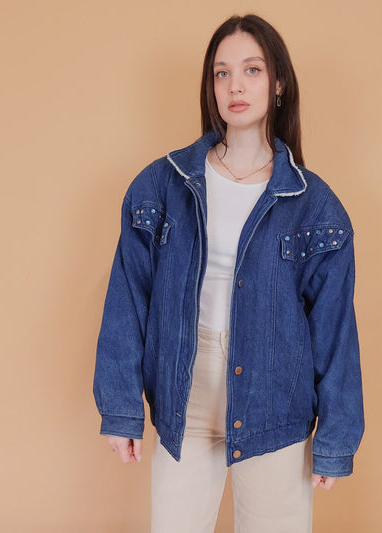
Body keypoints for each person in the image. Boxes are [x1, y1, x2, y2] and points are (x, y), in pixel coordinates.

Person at [93, 13, 364, 533]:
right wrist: (121, 407)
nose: (235, 85)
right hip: (185, 395)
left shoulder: (316, 206)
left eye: (252, 70)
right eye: (222, 73)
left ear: (278, 84)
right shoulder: (162, 184)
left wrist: (336, 439)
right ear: (211, 86)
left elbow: (335, 331)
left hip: (276, 400)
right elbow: (128, 297)